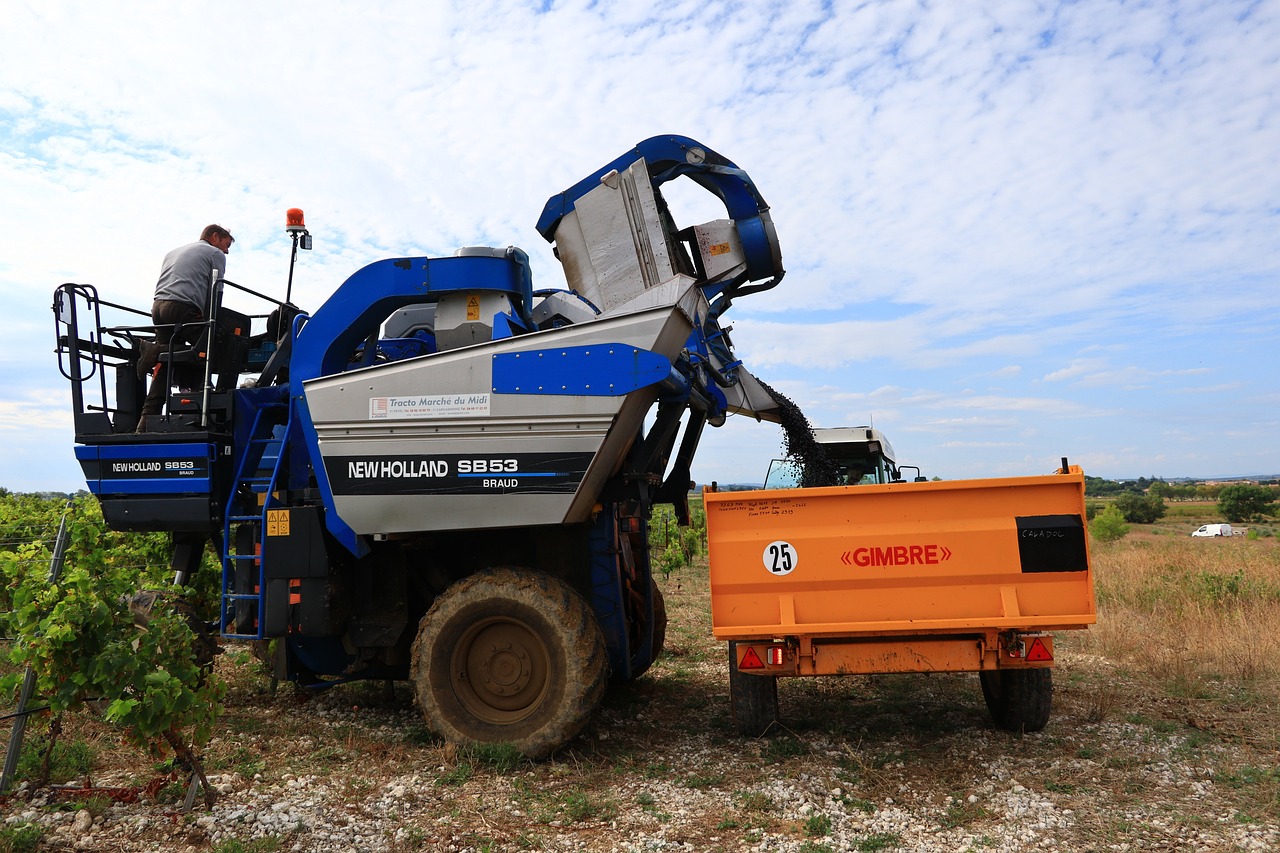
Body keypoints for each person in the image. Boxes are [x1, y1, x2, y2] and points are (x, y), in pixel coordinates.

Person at [137, 224, 234, 430]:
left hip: (158, 308)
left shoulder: (173, 252)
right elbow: (216, 291)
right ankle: (210, 409)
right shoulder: (215, 253)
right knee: (212, 347)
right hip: (182, 308)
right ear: (215, 237)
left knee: (166, 363)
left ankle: (144, 425)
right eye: (226, 245)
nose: (226, 251)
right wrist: (214, 325)